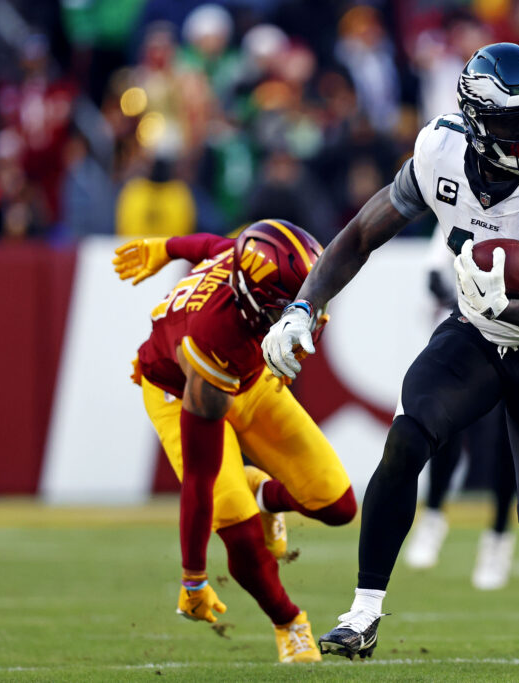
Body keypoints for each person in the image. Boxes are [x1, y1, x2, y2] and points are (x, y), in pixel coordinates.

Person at [262, 43, 519, 659]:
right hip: (476, 332)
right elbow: (361, 234)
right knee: (406, 438)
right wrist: (302, 306)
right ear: (476, 121)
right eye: (512, 121)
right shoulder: (439, 150)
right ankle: (364, 611)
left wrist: (511, 309)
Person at [113, 220, 358, 663]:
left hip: (251, 378)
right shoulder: (214, 339)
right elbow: (199, 480)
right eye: (289, 305)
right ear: (254, 303)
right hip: (185, 391)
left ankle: (262, 495)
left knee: (336, 505)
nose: (306, 310)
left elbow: (210, 243)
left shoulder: (246, 262)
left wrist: (165, 246)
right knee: (239, 532)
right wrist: (192, 577)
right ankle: (289, 622)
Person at [404, 224, 519, 591]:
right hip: (466, 336)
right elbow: (434, 275)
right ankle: (434, 515)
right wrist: (469, 295)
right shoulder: (462, 212)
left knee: (508, 440)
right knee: (443, 426)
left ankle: (499, 536)